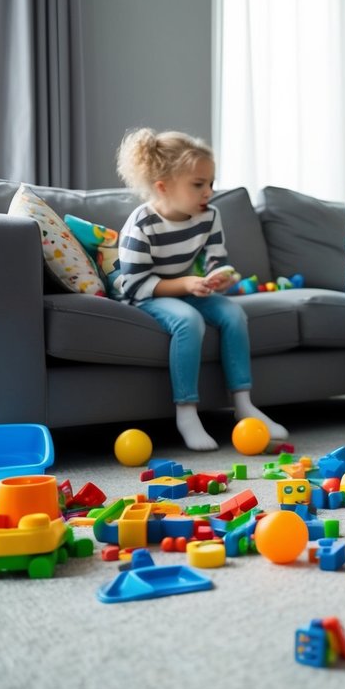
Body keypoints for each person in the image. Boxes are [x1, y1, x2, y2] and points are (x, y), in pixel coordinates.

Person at [115, 128, 288, 451]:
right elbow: (137, 285)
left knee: (233, 313)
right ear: (163, 187)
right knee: (188, 321)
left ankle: (244, 403)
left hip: (187, 288)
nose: (209, 191)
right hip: (145, 295)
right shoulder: (141, 224)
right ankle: (186, 411)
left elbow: (215, 260)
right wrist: (185, 284)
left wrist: (219, 277)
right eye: (198, 184)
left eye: (211, 182)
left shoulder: (209, 216)